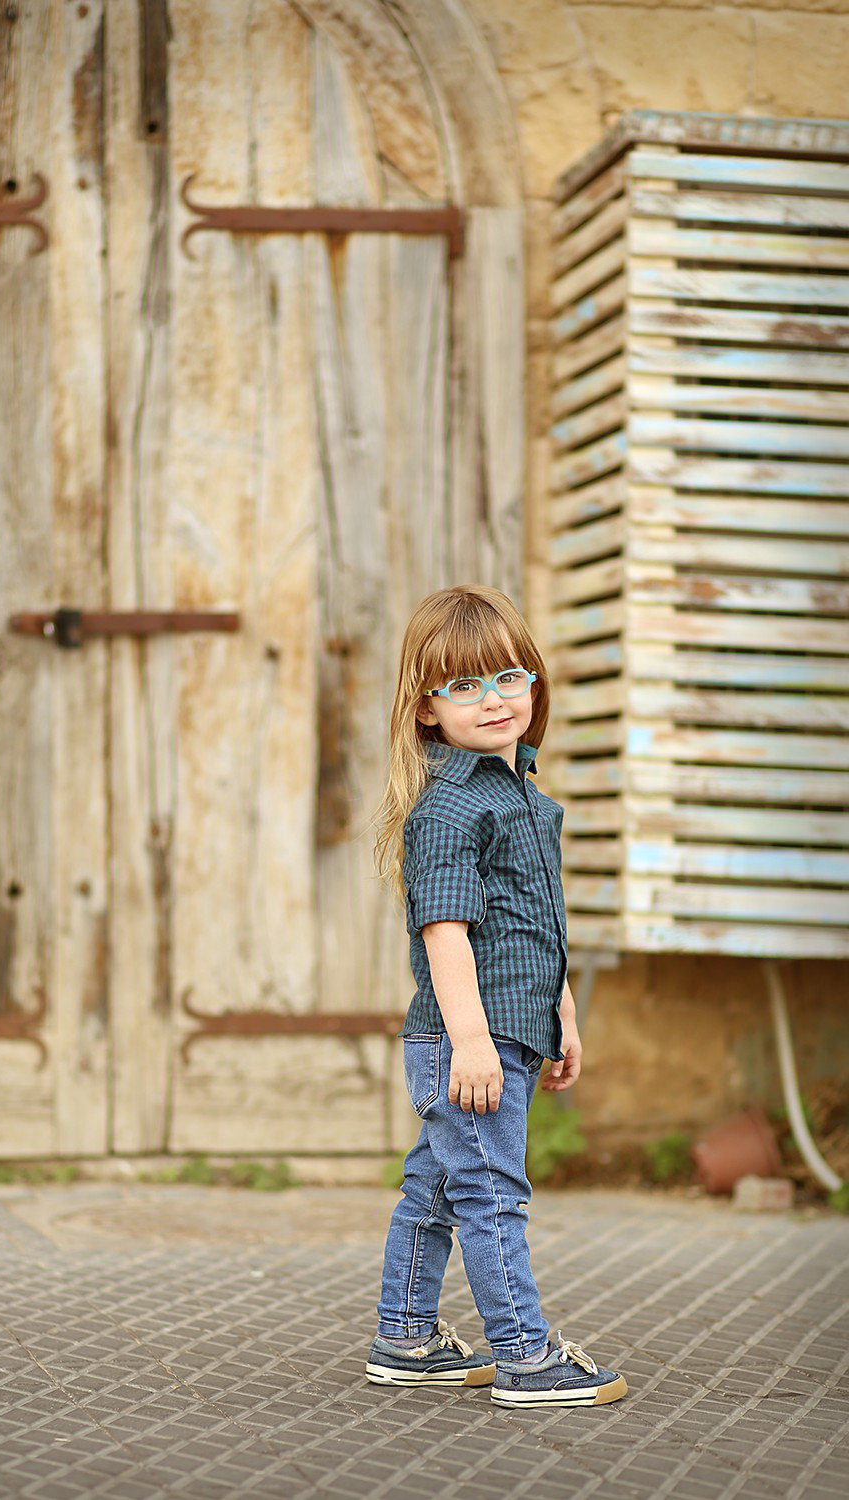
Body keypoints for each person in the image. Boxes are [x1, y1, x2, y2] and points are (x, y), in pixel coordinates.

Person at [365, 584, 627, 1409]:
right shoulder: (449, 806)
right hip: (466, 1037)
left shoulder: (523, 796)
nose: (494, 699)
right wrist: (473, 1040)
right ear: (425, 710)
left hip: (509, 1027)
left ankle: (403, 1336)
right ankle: (523, 1355)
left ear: (536, 685)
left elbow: (534, 925)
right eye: (465, 685)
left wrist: (563, 1014)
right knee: (492, 1194)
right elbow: (447, 931)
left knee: (439, 1187)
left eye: (510, 676)